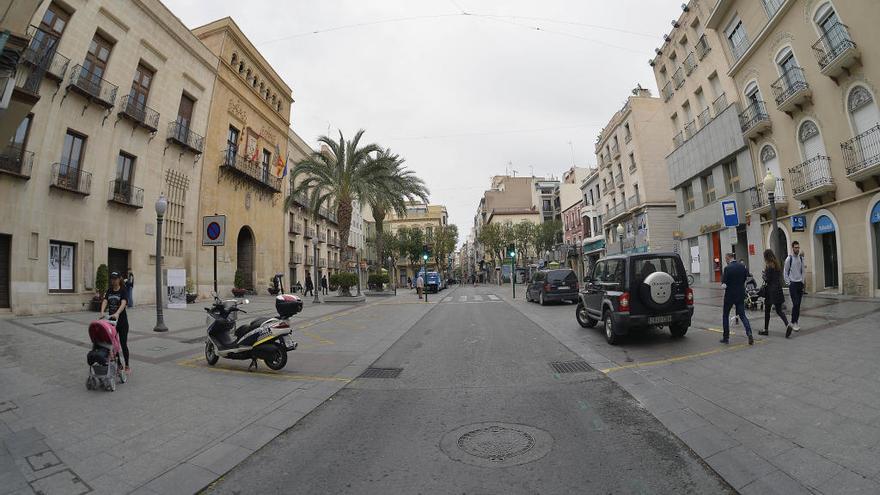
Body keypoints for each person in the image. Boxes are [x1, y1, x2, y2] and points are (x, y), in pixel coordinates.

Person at [720, 253, 754, 345]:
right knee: (742, 315)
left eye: (726, 259)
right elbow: (747, 278)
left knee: (725, 315)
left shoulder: (727, 268)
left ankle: (726, 337)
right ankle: (749, 333)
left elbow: (723, 285)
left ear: (728, 258)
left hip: (729, 296)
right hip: (740, 294)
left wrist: (726, 285)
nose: (726, 261)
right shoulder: (742, 266)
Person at [100, 272, 131, 373]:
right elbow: (105, 300)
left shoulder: (123, 290)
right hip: (111, 323)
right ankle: (119, 365)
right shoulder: (109, 290)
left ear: (119, 279)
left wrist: (117, 313)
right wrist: (102, 311)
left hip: (122, 322)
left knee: (123, 344)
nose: (113, 280)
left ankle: (127, 365)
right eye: (112, 279)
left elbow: (124, 302)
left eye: (115, 279)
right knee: (113, 344)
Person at [760, 249, 793, 338]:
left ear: (766, 257)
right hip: (778, 290)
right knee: (779, 311)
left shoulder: (769, 266)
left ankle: (765, 330)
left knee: (767, 311)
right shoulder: (777, 265)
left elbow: (768, 279)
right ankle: (788, 325)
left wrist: (763, 275)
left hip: (770, 292)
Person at [784, 241, 805, 332]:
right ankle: (793, 322)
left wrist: (802, 282)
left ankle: (795, 322)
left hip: (799, 284)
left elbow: (803, 271)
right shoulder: (789, 259)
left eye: (798, 247)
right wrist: (788, 283)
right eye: (796, 247)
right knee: (795, 303)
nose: (797, 249)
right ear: (792, 248)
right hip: (793, 284)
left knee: (798, 305)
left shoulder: (801, 258)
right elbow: (785, 271)